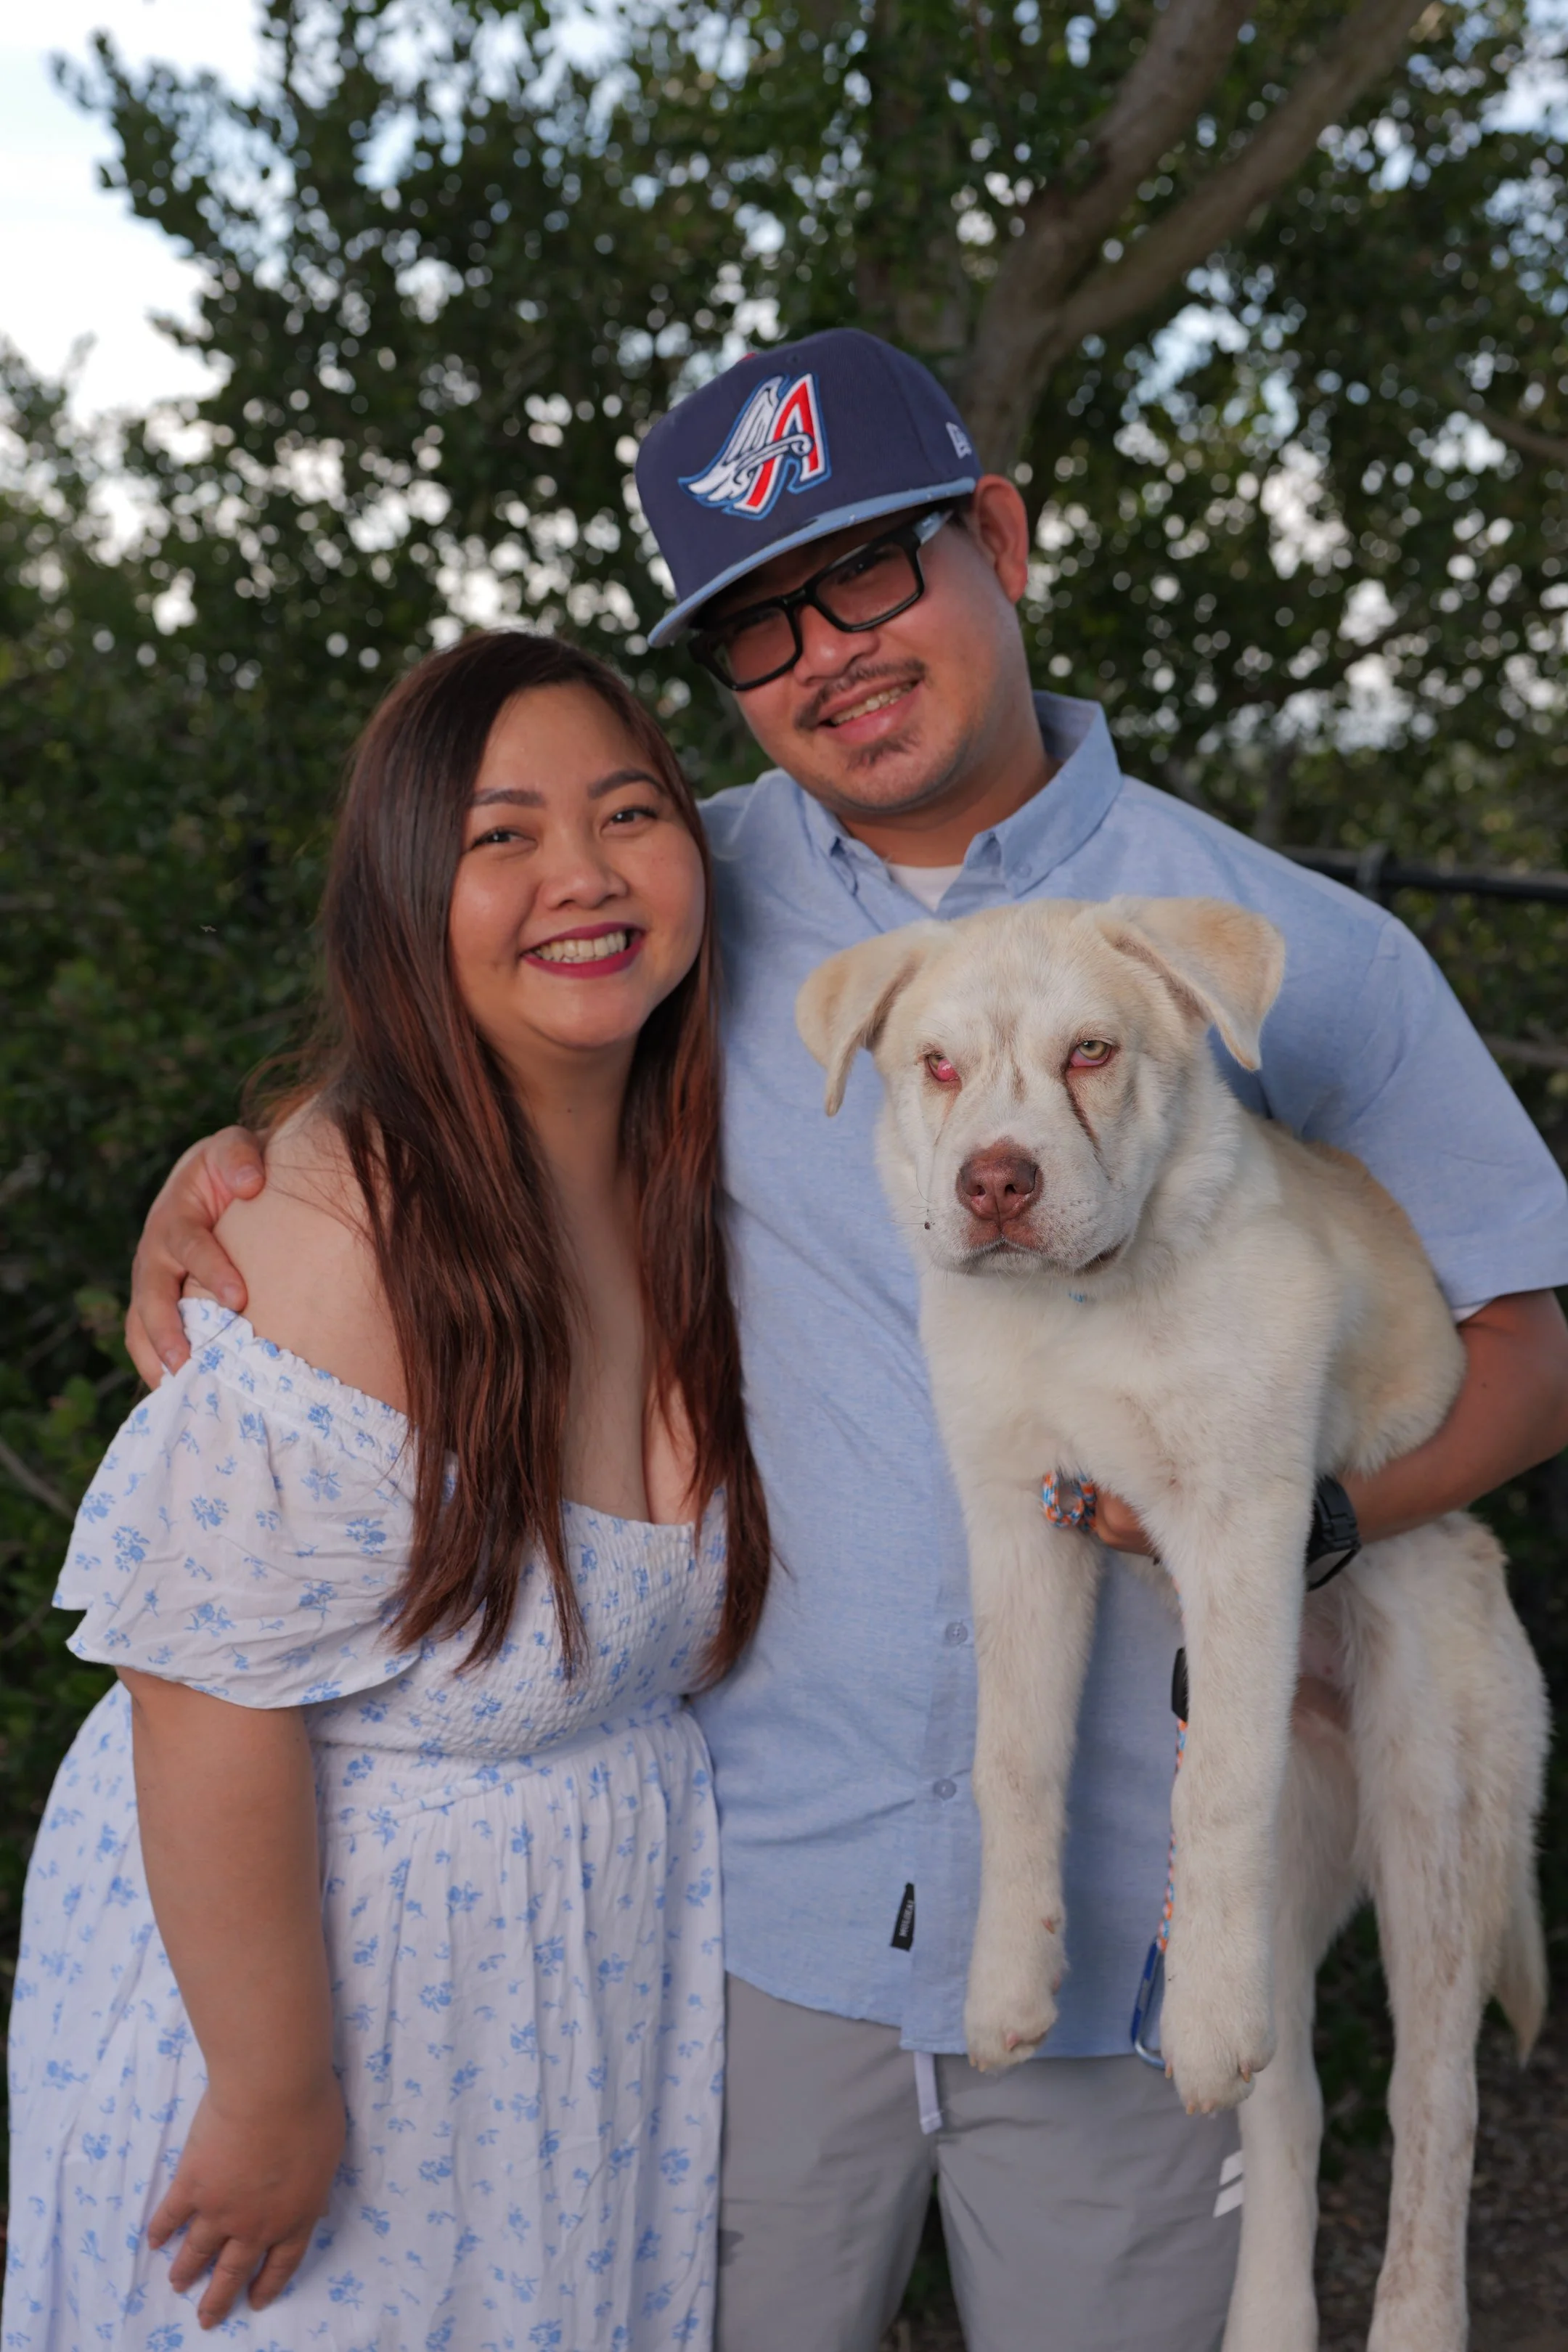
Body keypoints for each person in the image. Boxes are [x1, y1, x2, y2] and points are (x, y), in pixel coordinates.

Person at [127, 330, 1568, 2352]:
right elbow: (441, 1071)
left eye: (870, 571)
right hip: (748, 1909)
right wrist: (239, 1183)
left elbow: (1529, 1330)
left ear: (999, 535)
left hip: (1124, 1942)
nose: (827, 654)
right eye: (754, 626)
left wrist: (1309, 1516)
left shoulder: (1289, 950)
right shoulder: (670, 895)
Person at [6, 631, 771, 2351]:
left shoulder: (689, 1180)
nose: (582, 873)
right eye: (502, 835)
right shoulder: (330, 1232)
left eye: (629, 811)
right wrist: (275, 2097)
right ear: (404, 896)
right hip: (332, 2010)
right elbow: (199, 1691)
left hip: (568, 2008)